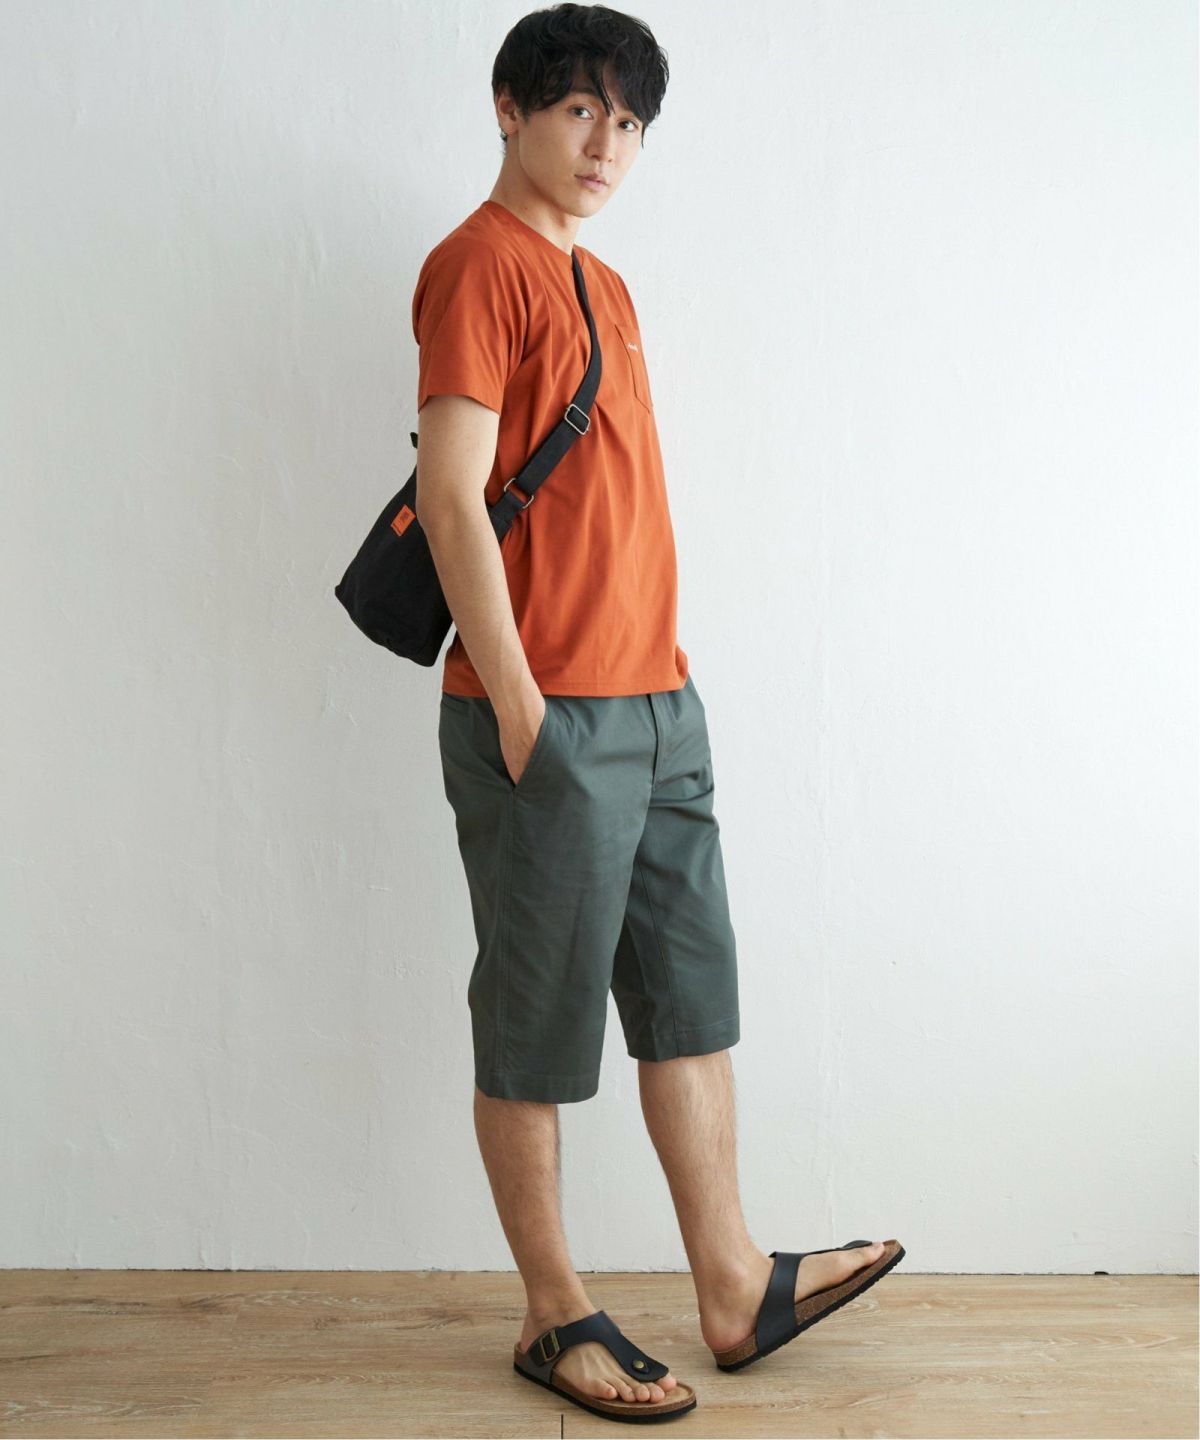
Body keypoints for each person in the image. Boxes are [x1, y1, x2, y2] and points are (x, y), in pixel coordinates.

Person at [412, 3, 903, 1422]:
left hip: (660, 704)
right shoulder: (476, 265)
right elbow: (451, 495)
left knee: (691, 1001)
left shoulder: (607, 284)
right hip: (548, 718)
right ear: (510, 107)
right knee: (535, 1024)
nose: (605, 145)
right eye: (580, 110)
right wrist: (522, 712)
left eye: (628, 122)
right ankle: (550, 1314)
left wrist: (666, 683)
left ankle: (734, 1283)